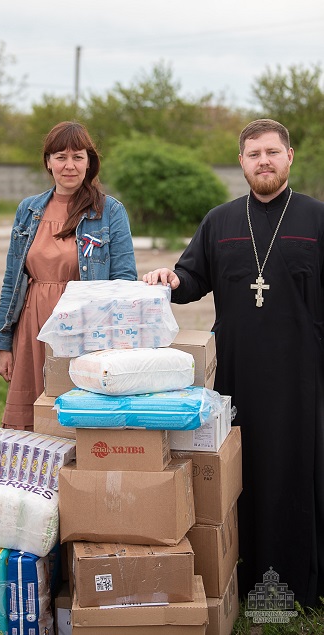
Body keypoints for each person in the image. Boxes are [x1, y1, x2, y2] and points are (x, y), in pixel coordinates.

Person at [143, 118, 324, 607]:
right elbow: (190, 277)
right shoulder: (220, 221)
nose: (262, 161)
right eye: (252, 154)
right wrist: (169, 277)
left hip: (303, 381)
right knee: (241, 477)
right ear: (241, 162)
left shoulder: (316, 218)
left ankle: (296, 589)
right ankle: (237, 584)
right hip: (237, 378)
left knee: (294, 477)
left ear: (289, 157)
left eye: (271, 152)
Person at [0, 121, 137, 430]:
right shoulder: (28, 210)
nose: (69, 165)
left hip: (85, 330)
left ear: (89, 162)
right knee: (32, 422)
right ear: (48, 161)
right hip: (32, 325)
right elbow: (12, 279)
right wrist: (3, 344)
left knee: (77, 416)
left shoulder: (110, 211)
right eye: (61, 157)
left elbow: (125, 282)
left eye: (78, 157)